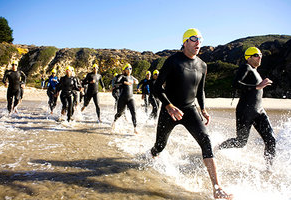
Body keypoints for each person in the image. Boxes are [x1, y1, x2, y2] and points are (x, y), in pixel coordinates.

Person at [150, 28, 232, 199]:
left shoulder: (202, 65)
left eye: (200, 39)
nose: (198, 43)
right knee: (160, 145)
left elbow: (200, 90)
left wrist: (203, 109)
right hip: (170, 110)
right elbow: (157, 88)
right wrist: (169, 106)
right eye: (194, 39)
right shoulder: (173, 61)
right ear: (185, 41)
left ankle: (217, 188)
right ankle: (152, 155)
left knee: (206, 140)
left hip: (189, 109)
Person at [217, 47, 276, 167]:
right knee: (240, 142)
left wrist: (258, 86)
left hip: (259, 111)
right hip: (245, 111)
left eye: (260, 54)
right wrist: (256, 87)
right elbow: (235, 83)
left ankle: (269, 168)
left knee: (271, 140)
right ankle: (218, 148)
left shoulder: (255, 71)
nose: (260, 57)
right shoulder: (246, 67)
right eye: (256, 55)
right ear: (248, 57)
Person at [112, 63, 139, 134]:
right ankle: (114, 122)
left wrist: (135, 81)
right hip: (122, 99)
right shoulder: (122, 76)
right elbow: (117, 82)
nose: (129, 70)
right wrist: (124, 82)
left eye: (130, 68)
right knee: (119, 113)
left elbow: (137, 81)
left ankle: (135, 128)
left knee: (134, 112)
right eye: (127, 68)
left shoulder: (131, 77)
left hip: (131, 98)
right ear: (124, 70)